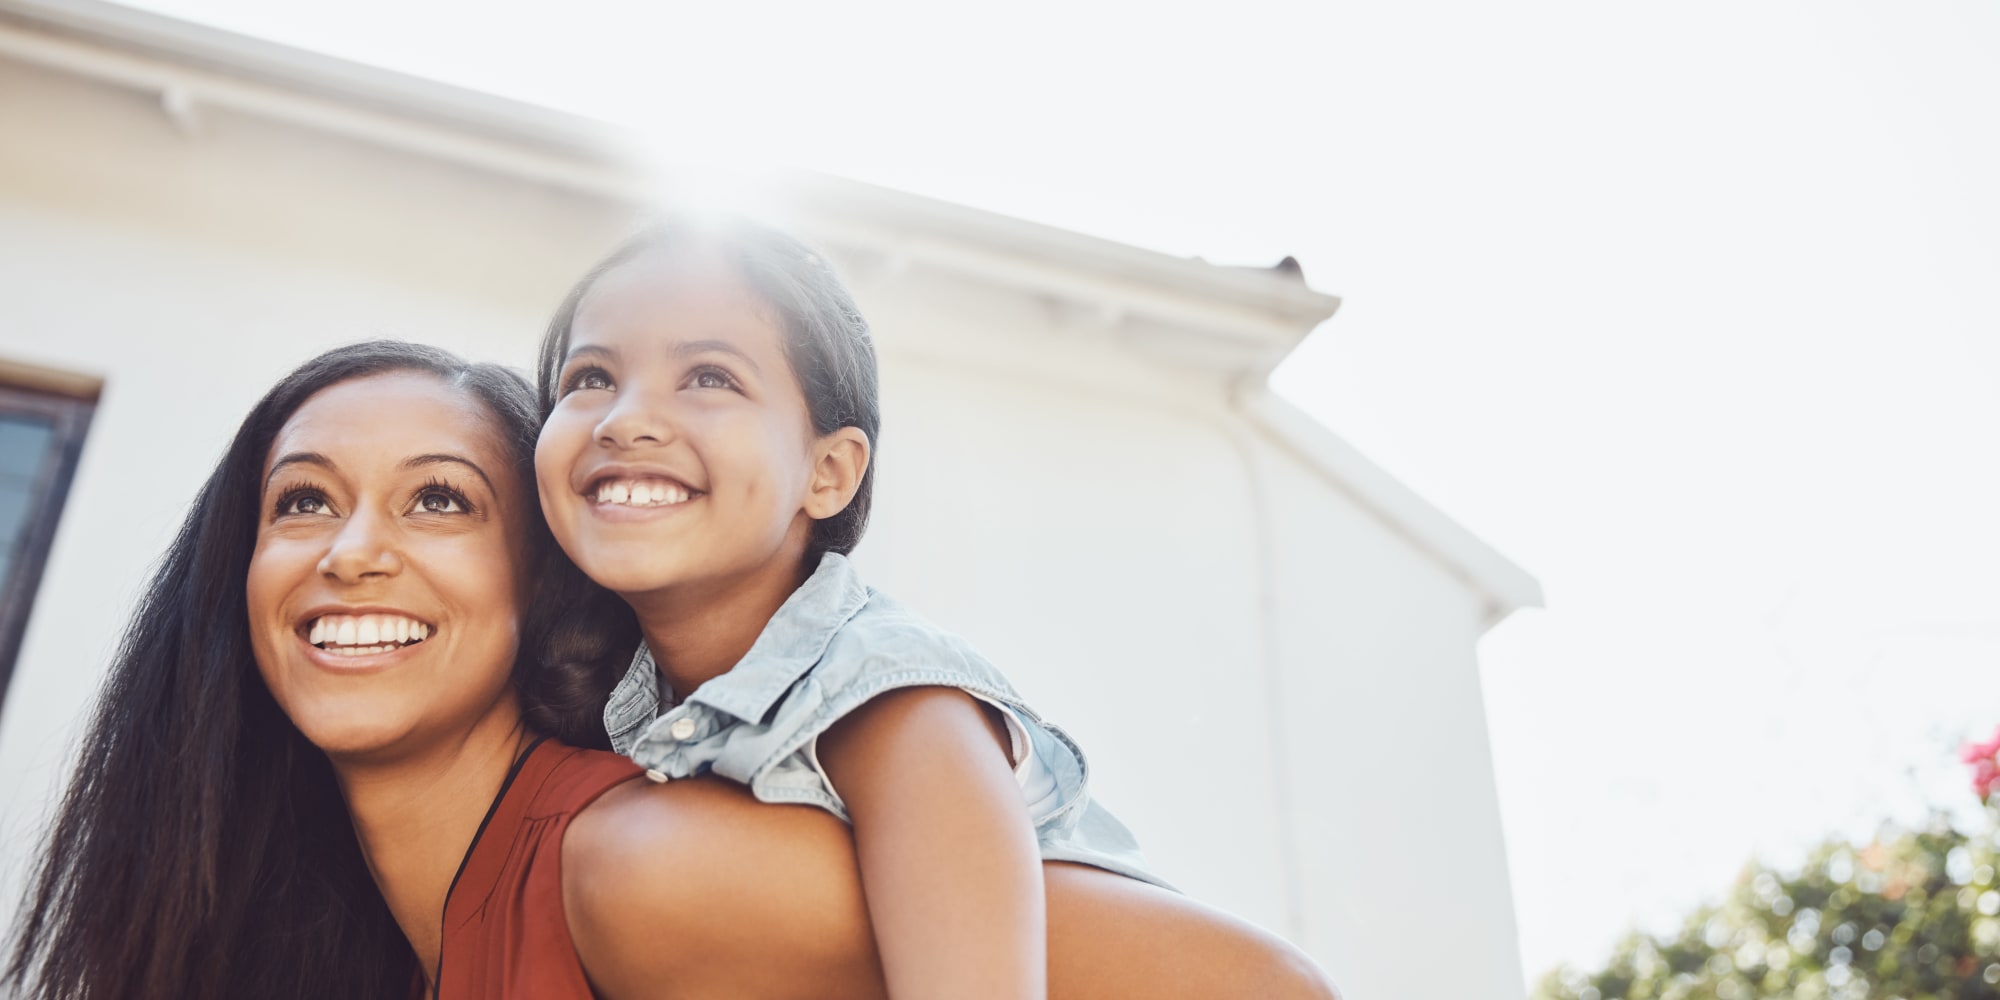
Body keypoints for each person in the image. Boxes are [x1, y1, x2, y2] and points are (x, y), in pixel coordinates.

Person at [6, 340, 1337, 999]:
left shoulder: (632, 863)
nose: (351, 554)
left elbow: (1262, 991)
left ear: (545, 584)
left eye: (440, 503)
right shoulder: (362, 945)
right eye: (301, 503)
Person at [534, 217, 1334, 998]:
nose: (626, 417)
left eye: (711, 377)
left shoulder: (884, 692)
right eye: (590, 378)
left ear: (830, 473)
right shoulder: (613, 715)